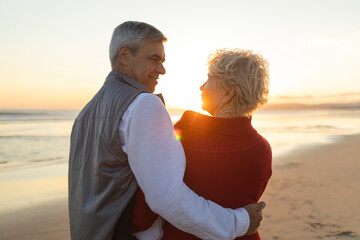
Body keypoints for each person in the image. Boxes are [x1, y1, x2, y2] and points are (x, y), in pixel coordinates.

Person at [68, 21, 265, 240]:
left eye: (162, 61)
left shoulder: (84, 115)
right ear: (124, 56)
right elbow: (165, 199)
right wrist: (239, 222)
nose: (162, 69)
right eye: (154, 59)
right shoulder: (143, 104)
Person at [132, 48, 272, 240]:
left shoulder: (184, 133)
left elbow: (148, 205)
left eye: (209, 79)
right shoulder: (262, 149)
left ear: (228, 93)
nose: (201, 86)